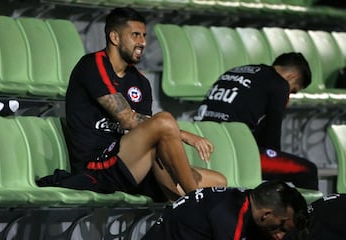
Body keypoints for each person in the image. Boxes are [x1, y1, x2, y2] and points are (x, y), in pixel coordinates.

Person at [36, 7, 226, 202]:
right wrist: (186, 136)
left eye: (144, 36)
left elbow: (150, 131)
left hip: (131, 163)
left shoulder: (140, 81)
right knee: (164, 121)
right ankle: (195, 202)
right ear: (115, 38)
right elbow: (127, 119)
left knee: (218, 181)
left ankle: (182, 203)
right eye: (135, 35)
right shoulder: (92, 65)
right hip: (98, 165)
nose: (142, 42)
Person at [194, 52, 319, 190]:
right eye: (293, 90)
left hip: (199, 147)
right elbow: (272, 135)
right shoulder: (279, 83)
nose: (289, 95)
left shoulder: (235, 71)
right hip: (231, 152)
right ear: (291, 77)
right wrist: (275, 159)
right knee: (308, 171)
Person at [142, 180, 309, 240]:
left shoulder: (244, 201)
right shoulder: (229, 216)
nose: (280, 236)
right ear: (266, 214)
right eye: (281, 228)